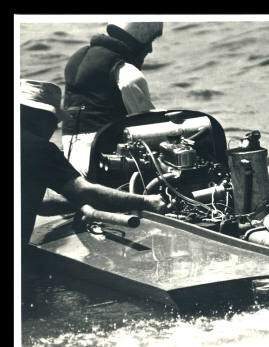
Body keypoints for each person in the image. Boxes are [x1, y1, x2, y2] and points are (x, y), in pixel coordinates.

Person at [20, 79, 166, 245]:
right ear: (40, 117)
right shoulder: (38, 148)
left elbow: (43, 203)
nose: (54, 128)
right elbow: (84, 191)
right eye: (54, 121)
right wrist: (147, 202)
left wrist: (79, 202)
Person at [61, 22, 163, 176]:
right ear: (139, 40)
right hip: (104, 162)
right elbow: (147, 125)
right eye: (150, 42)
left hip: (70, 160)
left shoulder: (76, 59)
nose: (150, 49)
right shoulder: (127, 72)